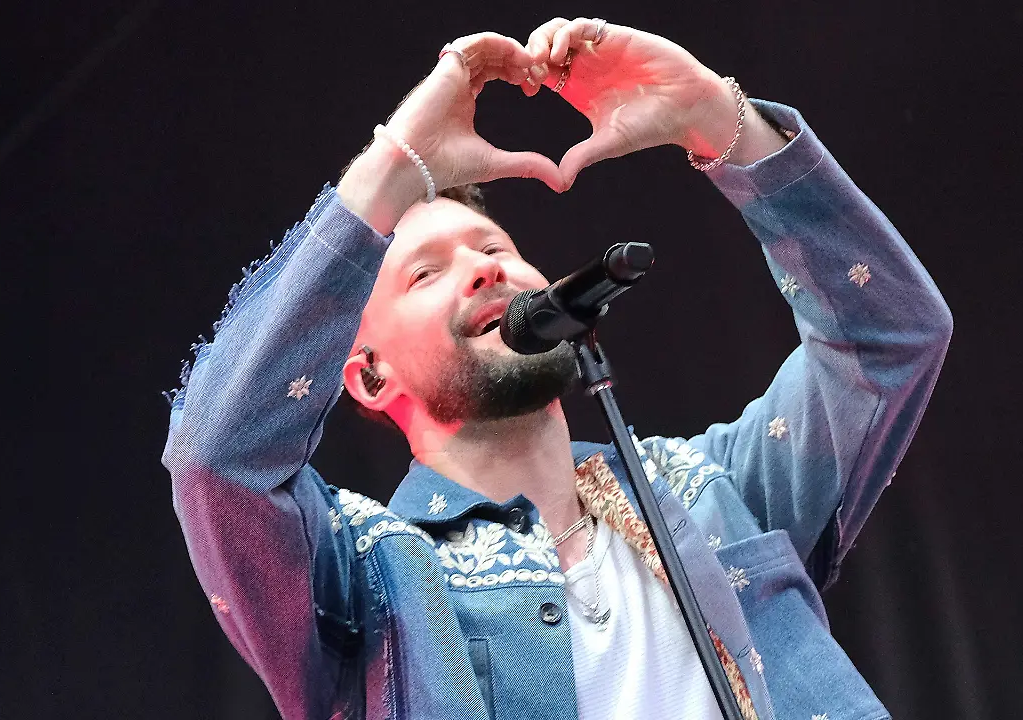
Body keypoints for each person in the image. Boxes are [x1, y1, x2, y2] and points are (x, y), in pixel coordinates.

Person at [162, 17, 952, 720]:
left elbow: (887, 337)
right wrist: (392, 169)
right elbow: (218, 457)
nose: (482, 270)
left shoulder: (711, 492)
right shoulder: (369, 577)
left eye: (495, 249)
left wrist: (721, 120)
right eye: (425, 274)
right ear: (368, 376)